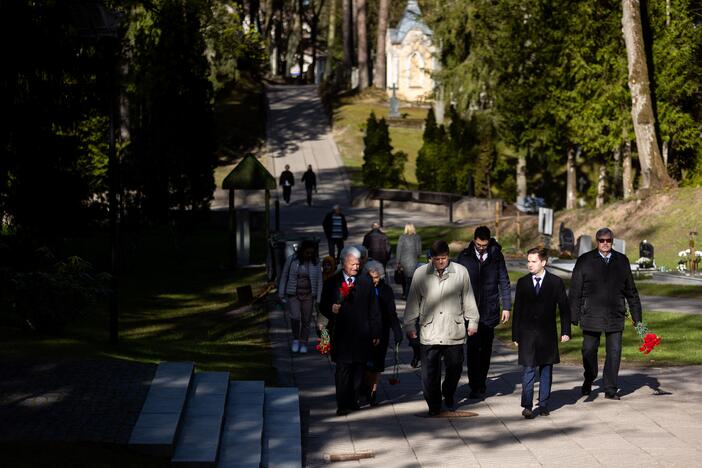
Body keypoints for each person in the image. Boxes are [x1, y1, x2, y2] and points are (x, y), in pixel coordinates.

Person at [404, 240, 479, 416]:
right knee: (429, 373)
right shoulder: (420, 273)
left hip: (454, 330)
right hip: (429, 331)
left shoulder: (461, 272)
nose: (440, 262)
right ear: (431, 258)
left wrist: (473, 321)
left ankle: (448, 392)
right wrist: (409, 324)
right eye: (436, 259)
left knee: (455, 367)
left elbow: (468, 298)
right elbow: (413, 301)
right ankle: (434, 404)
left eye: (443, 258)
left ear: (448, 256)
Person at [570, 227, 642, 400]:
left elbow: (631, 291)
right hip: (591, 314)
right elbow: (575, 290)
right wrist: (574, 315)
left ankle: (610, 388)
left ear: (612, 241)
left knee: (615, 352)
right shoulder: (585, 260)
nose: (605, 243)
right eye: (601, 240)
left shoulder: (622, 261)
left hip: (615, 314)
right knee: (588, 351)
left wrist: (637, 317)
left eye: (608, 240)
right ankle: (589, 377)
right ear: (597, 241)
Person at [320, 247, 381, 416]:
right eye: (353, 264)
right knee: (343, 369)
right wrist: (331, 308)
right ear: (344, 263)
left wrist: (376, 332)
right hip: (341, 334)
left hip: (362, 333)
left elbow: (374, 309)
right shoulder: (332, 282)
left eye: (358, 263)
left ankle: (354, 400)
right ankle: (342, 403)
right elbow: (322, 305)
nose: (356, 266)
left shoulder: (366, 281)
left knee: (358, 369)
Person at [512, 247, 571, 419]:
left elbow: (564, 308)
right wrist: (516, 334)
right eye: (528, 261)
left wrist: (565, 331)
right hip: (527, 334)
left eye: (533, 261)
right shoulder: (523, 282)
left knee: (546, 369)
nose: (529, 265)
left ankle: (544, 403)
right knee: (528, 370)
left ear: (543, 262)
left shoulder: (555, 282)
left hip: (547, 334)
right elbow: (518, 310)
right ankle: (528, 405)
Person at [456, 226, 512, 399]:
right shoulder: (464, 257)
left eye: (484, 245)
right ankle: (474, 384)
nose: (481, 248)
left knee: (486, 349)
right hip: (470, 310)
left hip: (489, 309)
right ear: (474, 240)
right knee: (473, 349)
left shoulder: (496, 256)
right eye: (479, 245)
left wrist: (507, 306)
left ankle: (481, 382)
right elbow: (455, 282)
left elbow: (504, 280)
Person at [364, 262, 402, 406]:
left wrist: (397, 330)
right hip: (365, 331)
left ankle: (373, 391)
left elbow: (392, 312)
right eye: (372, 277)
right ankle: (366, 387)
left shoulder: (386, 290)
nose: (376, 280)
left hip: (382, 331)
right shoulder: (361, 289)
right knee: (366, 364)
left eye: (378, 277)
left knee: (378, 364)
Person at [278, 240, 323, 353]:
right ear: (302, 251)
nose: (309, 255)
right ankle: (296, 339)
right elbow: (284, 276)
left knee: (306, 320)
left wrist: (318, 298)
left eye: (311, 253)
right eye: (307, 253)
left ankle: (304, 342)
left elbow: (319, 281)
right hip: (294, 294)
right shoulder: (292, 260)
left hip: (308, 295)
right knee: (295, 317)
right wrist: (281, 293)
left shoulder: (315, 262)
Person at [395, 223, 422, 300]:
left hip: (403, 261)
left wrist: (398, 262)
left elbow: (398, 250)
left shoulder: (402, 237)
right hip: (413, 260)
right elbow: (419, 252)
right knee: (410, 279)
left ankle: (405, 294)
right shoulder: (417, 237)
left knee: (404, 278)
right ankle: (409, 294)